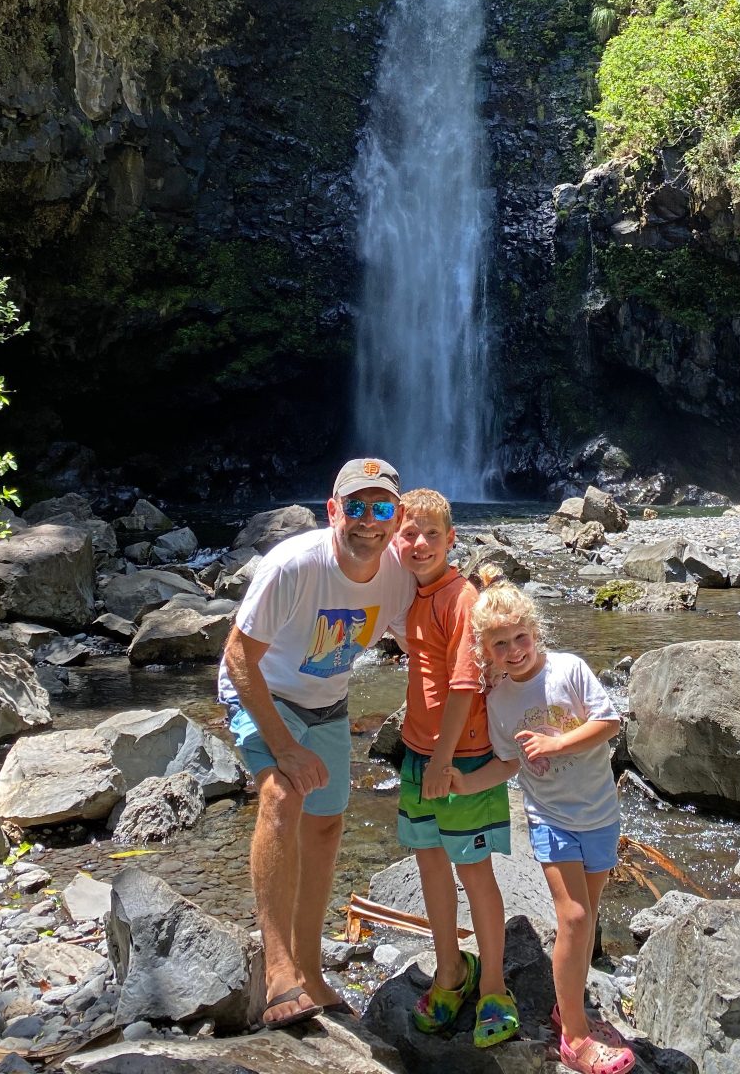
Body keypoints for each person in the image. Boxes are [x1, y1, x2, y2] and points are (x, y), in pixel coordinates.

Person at [220, 457, 415, 1028]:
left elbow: (426, 639)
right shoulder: (294, 565)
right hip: (263, 692)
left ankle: (310, 966)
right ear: (333, 511)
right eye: (355, 507)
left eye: (381, 509)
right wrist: (283, 746)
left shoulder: (399, 575)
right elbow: (237, 658)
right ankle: (279, 971)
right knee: (282, 796)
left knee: (327, 824)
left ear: (397, 516)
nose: (368, 522)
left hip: (329, 702)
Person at [452, 580, 635, 1074]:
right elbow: (508, 762)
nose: (513, 651)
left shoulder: (569, 670)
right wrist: (469, 786)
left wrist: (557, 744)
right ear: (485, 651)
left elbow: (609, 723)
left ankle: (566, 1001)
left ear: (534, 631)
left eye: (519, 638)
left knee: (587, 915)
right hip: (550, 817)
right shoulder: (500, 701)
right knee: (574, 917)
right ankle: (574, 1034)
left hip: (599, 814)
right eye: (499, 644)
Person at [393, 488, 518, 1049]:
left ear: (452, 540)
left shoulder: (460, 598)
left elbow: (465, 686)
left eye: (432, 535)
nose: (419, 544)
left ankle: (494, 983)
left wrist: (444, 762)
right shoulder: (413, 596)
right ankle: (451, 970)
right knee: (430, 865)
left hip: (458, 759)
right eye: (410, 534)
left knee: (473, 871)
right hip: (419, 755)